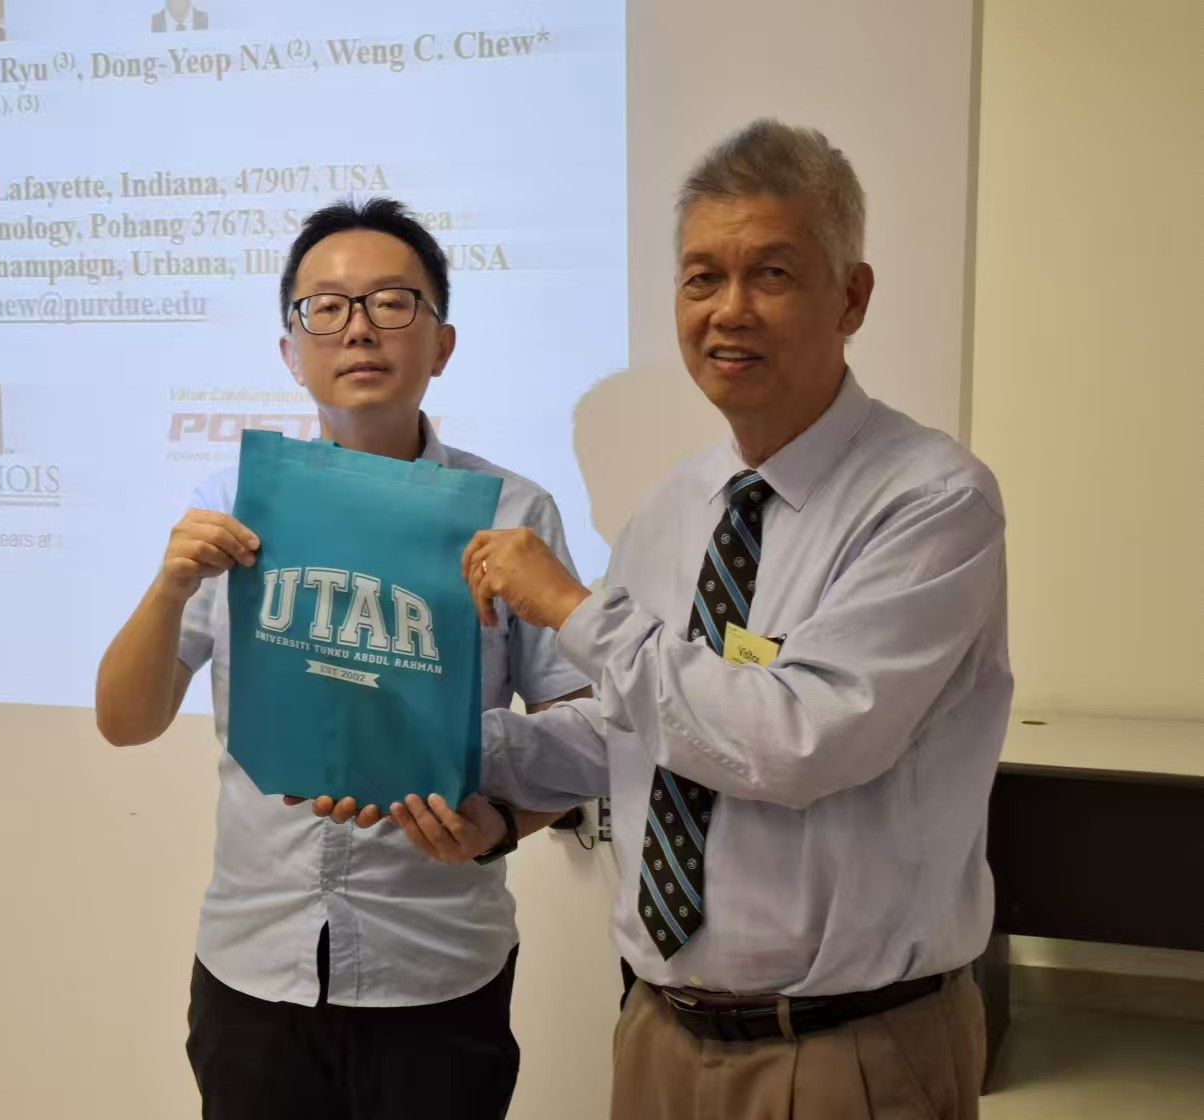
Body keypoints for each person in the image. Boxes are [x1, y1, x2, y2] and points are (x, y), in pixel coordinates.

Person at [371, 120, 1011, 1119]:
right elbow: (630, 727)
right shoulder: (677, 504)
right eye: (700, 277)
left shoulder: (930, 500)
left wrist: (574, 613)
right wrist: (454, 759)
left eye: (771, 274)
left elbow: (800, 739)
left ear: (852, 296)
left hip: (849, 1051)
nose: (728, 312)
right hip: (660, 1036)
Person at [95, 198, 590, 1120]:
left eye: (392, 303)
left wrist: (502, 827)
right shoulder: (233, 501)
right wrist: (167, 589)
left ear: (440, 343)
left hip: (438, 964)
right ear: (291, 350)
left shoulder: (513, 515)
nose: (358, 328)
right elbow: (125, 721)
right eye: (325, 307)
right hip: (254, 962)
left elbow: (584, 727)